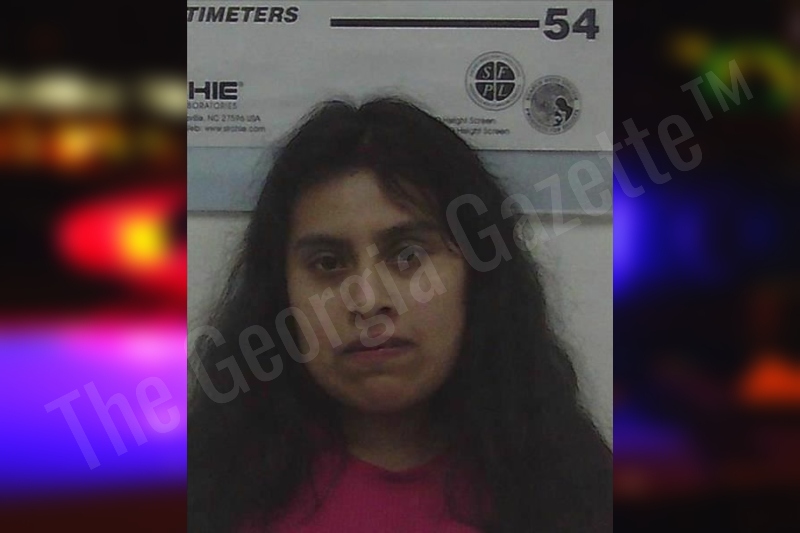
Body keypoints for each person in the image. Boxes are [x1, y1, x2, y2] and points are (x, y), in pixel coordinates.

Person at [187, 96, 612, 532]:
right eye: (329, 263)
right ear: (282, 294)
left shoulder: (572, 494)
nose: (369, 300)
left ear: (477, 277)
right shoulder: (210, 496)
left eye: (408, 256)